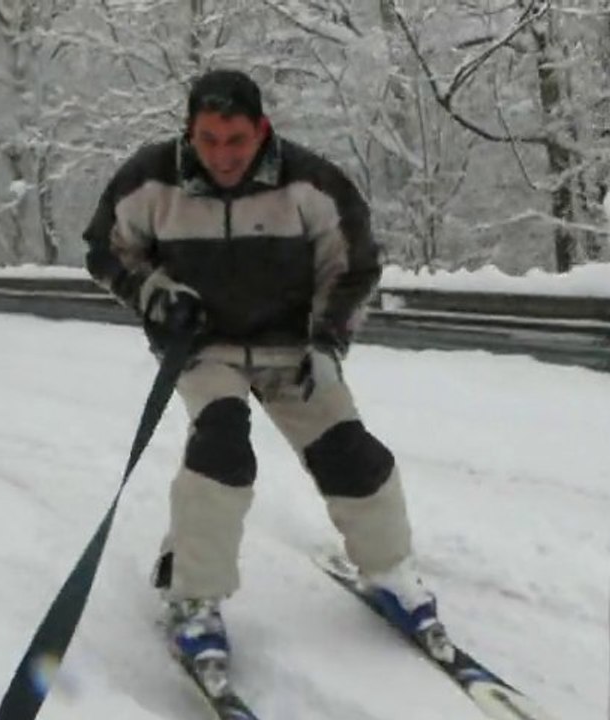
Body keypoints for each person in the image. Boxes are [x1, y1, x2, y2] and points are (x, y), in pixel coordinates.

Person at [81, 68, 443, 682]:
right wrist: (156, 294)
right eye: (209, 139)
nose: (222, 155)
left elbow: (352, 267)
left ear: (261, 130)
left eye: (236, 140)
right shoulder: (151, 180)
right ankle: (193, 596)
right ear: (190, 132)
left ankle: (388, 569)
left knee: (350, 453)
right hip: (206, 348)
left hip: (295, 350)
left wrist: (327, 343)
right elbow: (107, 249)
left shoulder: (312, 183)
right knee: (221, 448)